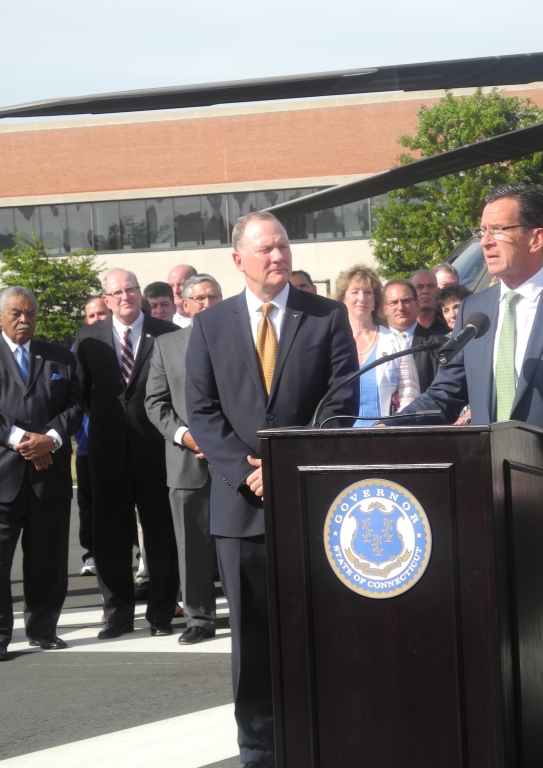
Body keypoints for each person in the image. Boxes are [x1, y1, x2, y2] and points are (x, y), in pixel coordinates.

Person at [397, 184, 543, 766]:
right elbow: (448, 392)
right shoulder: (478, 309)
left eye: (497, 229)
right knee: (493, 648)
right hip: (481, 506)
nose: (486, 241)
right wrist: (386, 426)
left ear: (537, 237)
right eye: (482, 231)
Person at [186, 211, 358, 768]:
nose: (278, 256)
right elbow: (204, 412)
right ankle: (258, 744)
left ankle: (323, 729)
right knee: (253, 636)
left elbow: (341, 404)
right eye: (265, 249)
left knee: (318, 626)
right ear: (239, 260)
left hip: (311, 500)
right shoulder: (210, 326)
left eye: (282, 246)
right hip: (241, 509)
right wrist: (247, 469)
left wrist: (288, 465)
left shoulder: (327, 317)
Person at [0, 286, 84, 661]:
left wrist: (52, 439)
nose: (24, 320)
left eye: (30, 313)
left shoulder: (60, 358)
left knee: (47, 559)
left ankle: (43, 628)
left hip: (49, 475)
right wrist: (24, 440)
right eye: (15, 313)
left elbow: (76, 406)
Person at [75, 269, 181, 640]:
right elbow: (84, 395)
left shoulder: (168, 334)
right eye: (117, 292)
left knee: (161, 535)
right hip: (108, 454)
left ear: (141, 293)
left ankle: (162, 613)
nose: (125, 296)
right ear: (106, 299)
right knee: (110, 538)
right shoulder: (88, 339)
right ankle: (117, 614)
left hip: (156, 450)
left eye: (131, 289)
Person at [145, 274, 224, 645]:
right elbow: (155, 402)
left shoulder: (246, 340)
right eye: (199, 299)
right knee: (191, 548)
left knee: (240, 545)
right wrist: (185, 435)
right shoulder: (166, 345)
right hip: (186, 461)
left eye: (213, 297)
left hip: (235, 460)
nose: (207, 304)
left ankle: (246, 613)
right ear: (185, 305)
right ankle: (200, 618)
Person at [335, 266, 419, 425]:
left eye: (368, 292)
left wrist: (390, 426)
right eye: (354, 292)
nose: (362, 298)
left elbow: (410, 397)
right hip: (338, 440)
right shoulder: (331, 343)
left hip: (384, 440)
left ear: (376, 300)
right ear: (342, 299)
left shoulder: (398, 344)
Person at [76, 296, 112, 576]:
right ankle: (92, 553)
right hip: (89, 446)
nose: (97, 319)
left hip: (126, 442)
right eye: (92, 316)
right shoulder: (80, 348)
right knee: (89, 505)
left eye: (102, 313)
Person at [384, 278, 445, 392]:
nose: (401, 308)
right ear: (384, 308)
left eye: (406, 301)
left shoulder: (439, 344)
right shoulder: (374, 344)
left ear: (417, 304)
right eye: (393, 303)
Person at [410, 269, 451, 334]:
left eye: (430, 286)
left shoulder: (449, 323)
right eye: (419, 287)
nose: (426, 291)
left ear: (438, 290)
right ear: (410, 292)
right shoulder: (403, 325)